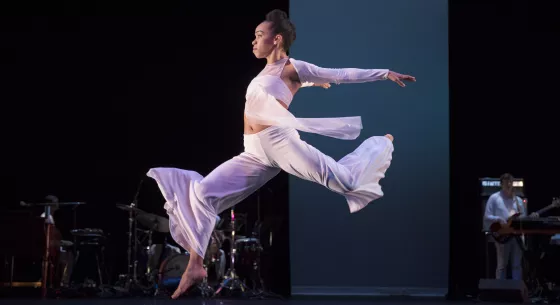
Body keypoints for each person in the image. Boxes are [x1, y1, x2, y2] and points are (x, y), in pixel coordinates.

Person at [147, 9, 416, 298]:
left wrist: (384, 73)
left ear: (276, 40)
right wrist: (312, 83)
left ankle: (380, 143)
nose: (253, 41)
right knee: (202, 195)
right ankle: (195, 265)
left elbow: (341, 74)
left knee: (348, 183)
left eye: (259, 36)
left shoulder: (293, 67)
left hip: (279, 143)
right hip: (253, 151)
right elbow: (276, 91)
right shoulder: (265, 72)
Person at [483, 173, 536, 280]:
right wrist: (498, 219)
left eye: (510, 182)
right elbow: (487, 216)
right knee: (502, 265)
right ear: (501, 184)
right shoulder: (494, 198)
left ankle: (517, 291)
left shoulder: (518, 201)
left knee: (517, 265)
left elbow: (523, 218)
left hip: (516, 235)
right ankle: (500, 291)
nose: (509, 185)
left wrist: (532, 217)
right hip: (503, 235)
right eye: (506, 183)